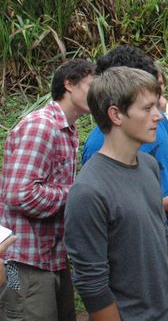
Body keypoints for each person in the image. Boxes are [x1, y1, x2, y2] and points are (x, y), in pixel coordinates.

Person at [82, 45, 168, 321]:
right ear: (117, 111)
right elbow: (94, 274)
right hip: (135, 259)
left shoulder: (152, 143)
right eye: (147, 103)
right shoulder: (94, 166)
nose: (160, 109)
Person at [65, 67, 168, 321]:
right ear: (116, 115)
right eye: (147, 108)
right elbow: (91, 283)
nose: (159, 116)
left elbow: (162, 239)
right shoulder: (89, 190)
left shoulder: (149, 165)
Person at [0, 59, 95, 321]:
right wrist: (75, 194)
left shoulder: (67, 129)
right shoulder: (42, 126)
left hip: (50, 256)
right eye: (91, 85)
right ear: (69, 84)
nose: (97, 93)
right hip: (22, 262)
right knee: (22, 311)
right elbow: (20, 194)